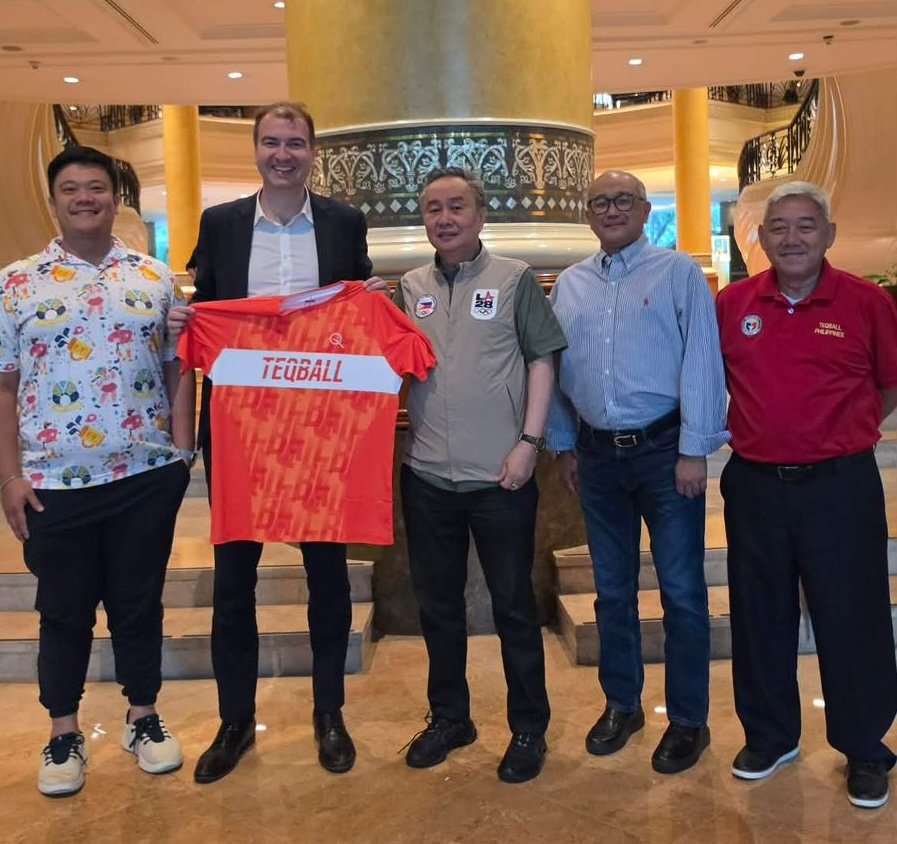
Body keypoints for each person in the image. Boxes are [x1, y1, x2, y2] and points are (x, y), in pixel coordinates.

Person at [167, 102, 375, 784]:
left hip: (320, 430)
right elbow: (206, 307)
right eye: (271, 142)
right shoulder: (221, 223)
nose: (283, 154)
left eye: (295, 143)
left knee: (327, 579)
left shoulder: (343, 223)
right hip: (239, 430)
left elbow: (357, 306)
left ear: (313, 152)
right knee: (233, 583)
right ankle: (234, 721)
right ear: (255, 149)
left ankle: (328, 713)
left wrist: (368, 299)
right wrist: (188, 316)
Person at [0, 145, 195, 796]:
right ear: (54, 200)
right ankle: (63, 732)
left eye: (97, 188)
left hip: (143, 476)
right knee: (63, 611)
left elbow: (177, 365)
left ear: (116, 199)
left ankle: (143, 717)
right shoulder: (16, 282)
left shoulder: (153, 277)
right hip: (54, 484)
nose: (85, 198)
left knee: (138, 604)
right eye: (71, 189)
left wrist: (181, 453)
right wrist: (10, 476)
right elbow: (4, 386)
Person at [717, 181, 897, 809]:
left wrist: (841, 431)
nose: (791, 238)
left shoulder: (866, 301)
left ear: (828, 235)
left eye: (805, 225)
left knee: (853, 615)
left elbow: (889, 383)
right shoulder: (733, 303)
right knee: (758, 614)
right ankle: (770, 736)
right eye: (779, 227)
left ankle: (865, 747)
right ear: (761, 239)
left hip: (840, 486)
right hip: (755, 485)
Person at [546, 170, 729, 774]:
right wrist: (564, 444)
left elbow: (703, 359)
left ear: (646, 210)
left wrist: (695, 448)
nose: (611, 209)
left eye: (623, 199)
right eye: (600, 202)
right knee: (612, 592)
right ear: (588, 214)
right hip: (597, 457)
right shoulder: (570, 284)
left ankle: (688, 720)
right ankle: (622, 705)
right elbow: (557, 368)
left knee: (682, 592)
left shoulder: (677, 273)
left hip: (665, 451)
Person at [394, 166, 566, 784]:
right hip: (426, 476)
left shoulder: (514, 279)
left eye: (456, 206)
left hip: (501, 477)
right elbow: (386, 362)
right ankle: (450, 718)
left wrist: (529, 444)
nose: (445, 219)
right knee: (438, 606)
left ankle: (529, 727)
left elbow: (542, 362)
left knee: (513, 605)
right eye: (433, 208)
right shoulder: (409, 286)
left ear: (480, 214)